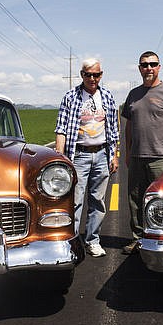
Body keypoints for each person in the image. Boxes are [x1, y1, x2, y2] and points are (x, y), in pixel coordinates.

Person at [121, 51, 163, 254]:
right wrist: (128, 152)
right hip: (137, 157)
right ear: (139, 68)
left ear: (159, 67)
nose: (148, 68)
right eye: (144, 65)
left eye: (153, 64)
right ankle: (138, 239)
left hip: (162, 159)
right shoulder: (133, 94)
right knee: (135, 200)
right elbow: (129, 126)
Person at [55, 58, 119, 257]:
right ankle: (72, 242)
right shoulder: (71, 96)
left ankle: (93, 240)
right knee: (74, 201)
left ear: (101, 75)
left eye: (97, 74)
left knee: (98, 201)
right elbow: (61, 129)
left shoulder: (107, 96)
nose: (92, 78)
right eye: (88, 74)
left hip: (101, 154)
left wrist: (114, 155)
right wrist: (60, 158)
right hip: (79, 155)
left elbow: (114, 130)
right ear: (82, 75)